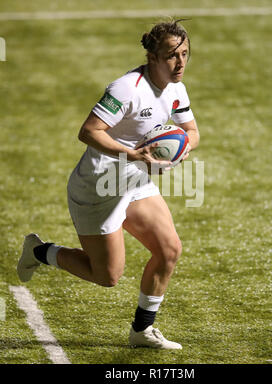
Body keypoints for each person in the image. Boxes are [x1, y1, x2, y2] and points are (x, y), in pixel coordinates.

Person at [17, 19, 200, 349]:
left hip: (134, 183)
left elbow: (192, 132)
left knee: (169, 249)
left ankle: (142, 330)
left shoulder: (177, 89)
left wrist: (181, 151)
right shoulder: (127, 89)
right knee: (107, 276)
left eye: (185, 54)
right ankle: (40, 251)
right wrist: (134, 154)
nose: (181, 62)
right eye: (172, 55)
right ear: (152, 56)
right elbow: (88, 131)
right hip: (97, 189)